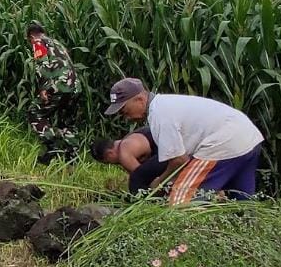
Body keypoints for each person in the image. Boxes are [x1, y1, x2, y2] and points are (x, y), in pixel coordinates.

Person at [104, 77, 264, 205]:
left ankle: (186, 245)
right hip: (248, 137)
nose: (126, 118)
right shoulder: (167, 103)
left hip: (223, 144)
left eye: (124, 111)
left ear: (139, 99)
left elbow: (179, 161)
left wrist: (159, 183)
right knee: (242, 204)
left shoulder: (160, 114)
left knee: (180, 202)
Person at [26, 22, 82, 163]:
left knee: (34, 112)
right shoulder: (57, 43)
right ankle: (72, 160)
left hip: (59, 86)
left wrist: (44, 89)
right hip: (75, 87)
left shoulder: (38, 42)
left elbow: (42, 65)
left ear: (31, 36)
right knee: (68, 122)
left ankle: (53, 147)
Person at [91, 127, 168, 194]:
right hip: (162, 141)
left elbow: (143, 176)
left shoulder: (124, 154)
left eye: (108, 162)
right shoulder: (127, 138)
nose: (112, 164)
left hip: (164, 150)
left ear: (109, 154)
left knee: (135, 182)